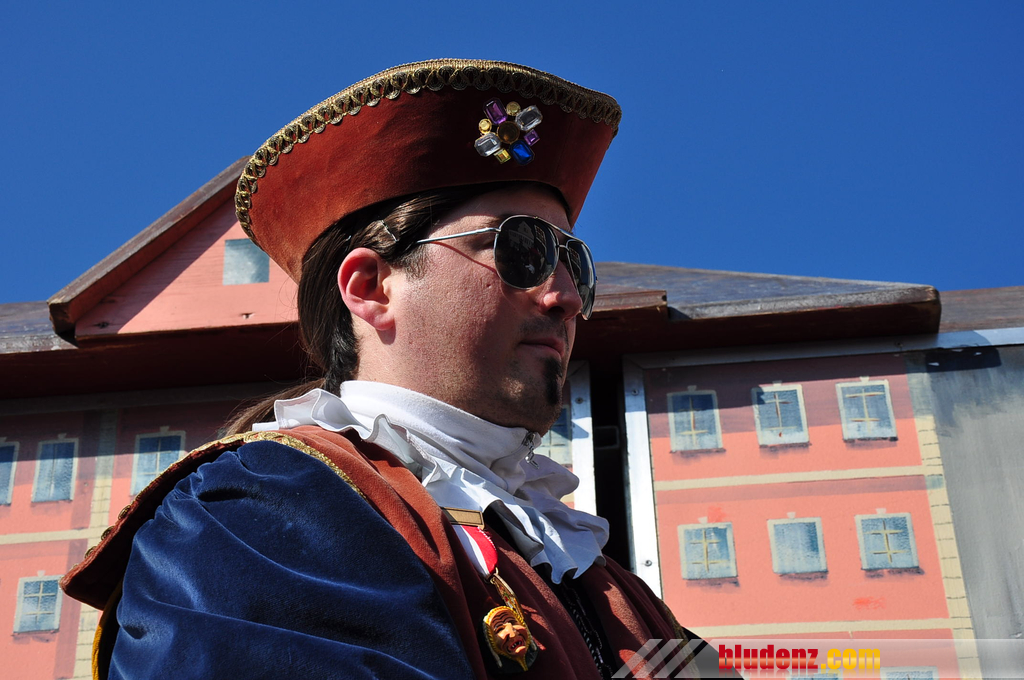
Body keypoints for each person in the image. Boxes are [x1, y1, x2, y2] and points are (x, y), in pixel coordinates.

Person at [61, 59, 724, 679]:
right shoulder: (254, 511)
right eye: (522, 251)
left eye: (574, 264)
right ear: (372, 288)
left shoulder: (617, 586)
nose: (567, 298)